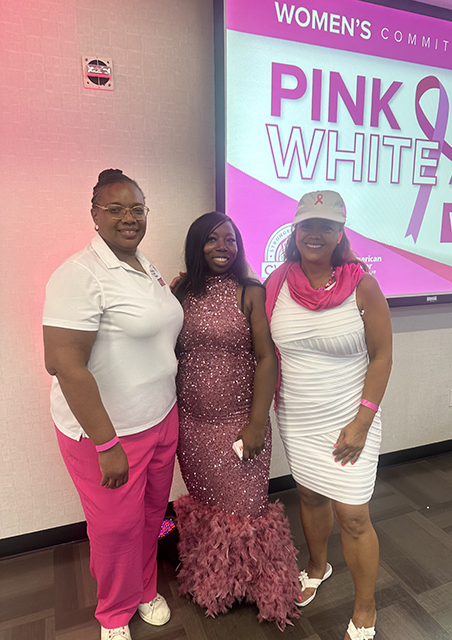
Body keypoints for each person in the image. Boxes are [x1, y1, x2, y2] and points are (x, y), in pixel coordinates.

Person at [43, 169, 184, 640]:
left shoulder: (145, 265)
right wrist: (106, 443)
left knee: (152, 515)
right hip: (108, 432)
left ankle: (144, 588)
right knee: (115, 529)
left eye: (137, 209)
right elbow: (63, 363)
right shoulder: (80, 274)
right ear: (95, 215)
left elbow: (148, 326)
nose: (129, 218)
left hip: (160, 418)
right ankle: (114, 613)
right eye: (116, 209)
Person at [265, 191, 392, 640]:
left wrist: (361, 423)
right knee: (311, 495)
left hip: (349, 419)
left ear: (341, 233)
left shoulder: (363, 284)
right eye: (308, 225)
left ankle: (365, 607)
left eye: (327, 226)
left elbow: (381, 357)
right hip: (298, 418)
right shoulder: (277, 282)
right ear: (295, 230)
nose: (315, 234)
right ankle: (318, 566)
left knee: (353, 515)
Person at [172, 211, 300, 630]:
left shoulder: (250, 291)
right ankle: (215, 583)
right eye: (212, 239)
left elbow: (266, 358)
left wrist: (257, 422)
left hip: (239, 423)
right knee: (208, 505)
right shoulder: (181, 291)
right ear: (197, 245)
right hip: (192, 425)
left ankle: (257, 585)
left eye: (230, 239)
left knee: (245, 509)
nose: (222, 247)